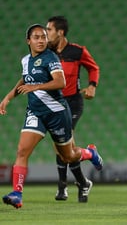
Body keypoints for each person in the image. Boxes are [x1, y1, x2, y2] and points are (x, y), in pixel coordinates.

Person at [0, 24, 103, 209]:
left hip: (57, 112)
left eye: (43, 37)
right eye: (36, 37)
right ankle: (17, 193)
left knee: (69, 156)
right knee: (22, 151)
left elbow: (60, 82)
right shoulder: (25, 60)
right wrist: (8, 97)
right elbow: (25, 79)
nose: (41, 40)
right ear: (28, 41)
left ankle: (90, 153)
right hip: (35, 112)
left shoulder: (51, 58)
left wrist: (35, 87)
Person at [46, 16, 100, 202]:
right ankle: (83, 182)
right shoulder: (46, 53)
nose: (46, 34)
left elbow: (93, 68)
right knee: (61, 147)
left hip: (73, 102)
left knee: (63, 141)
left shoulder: (77, 51)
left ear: (60, 32)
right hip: (54, 103)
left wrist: (92, 85)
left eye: (49, 30)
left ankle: (63, 187)